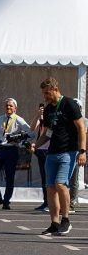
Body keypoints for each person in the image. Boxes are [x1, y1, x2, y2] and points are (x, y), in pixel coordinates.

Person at [34, 77, 86, 236]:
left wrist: (82, 151)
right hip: (52, 153)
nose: (45, 97)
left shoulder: (69, 104)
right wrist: (36, 144)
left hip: (68, 152)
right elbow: (48, 132)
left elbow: (81, 128)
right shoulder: (49, 109)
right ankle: (54, 223)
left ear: (55, 90)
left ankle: (66, 220)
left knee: (60, 184)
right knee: (50, 187)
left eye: (47, 93)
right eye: (43, 93)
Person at [0, 98, 32, 210]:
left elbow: (31, 133)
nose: (8, 108)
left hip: (12, 150)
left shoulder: (19, 120)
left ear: (15, 108)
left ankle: (6, 201)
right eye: (7, 106)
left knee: (10, 176)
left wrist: (19, 139)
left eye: (11, 106)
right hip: (0, 148)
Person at [67, 98, 86, 212]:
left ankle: (72, 201)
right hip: (66, 150)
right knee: (65, 178)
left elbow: (85, 138)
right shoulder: (67, 120)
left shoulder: (84, 121)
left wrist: (82, 152)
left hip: (78, 151)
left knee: (74, 178)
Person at [30, 104, 49, 211]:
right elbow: (32, 128)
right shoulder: (41, 118)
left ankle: (52, 202)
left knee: (50, 177)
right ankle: (46, 201)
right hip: (41, 150)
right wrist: (38, 115)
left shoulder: (52, 117)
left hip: (51, 150)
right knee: (44, 177)